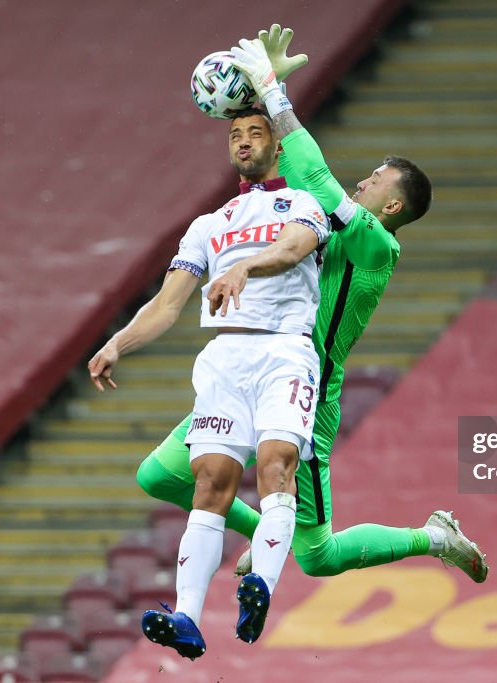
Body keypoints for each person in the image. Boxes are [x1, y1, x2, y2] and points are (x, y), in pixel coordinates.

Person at [133, 24, 487, 653]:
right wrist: (260, 102)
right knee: (160, 475)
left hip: (306, 384)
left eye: (378, 178)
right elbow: (287, 165)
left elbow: (317, 178)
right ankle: (257, 532)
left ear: (394, 206)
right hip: (250, 363)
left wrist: (278, 95)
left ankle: (434, 537)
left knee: (317, 557)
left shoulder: (378, 247)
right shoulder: (325, 216)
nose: (365, 180)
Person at [88, 105, 332, 659]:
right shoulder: (208, 225)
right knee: (210, 484)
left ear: (277, 145)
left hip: (283, 350)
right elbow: (169, 302)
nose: (244, 141)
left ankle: (261, 587)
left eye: (255, 132)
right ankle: (188, 618)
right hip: (224, 357)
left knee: (275, 466)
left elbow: (294, 248)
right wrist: (117, 343)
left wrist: (246, 267)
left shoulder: (302, 202)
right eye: (235, 134)